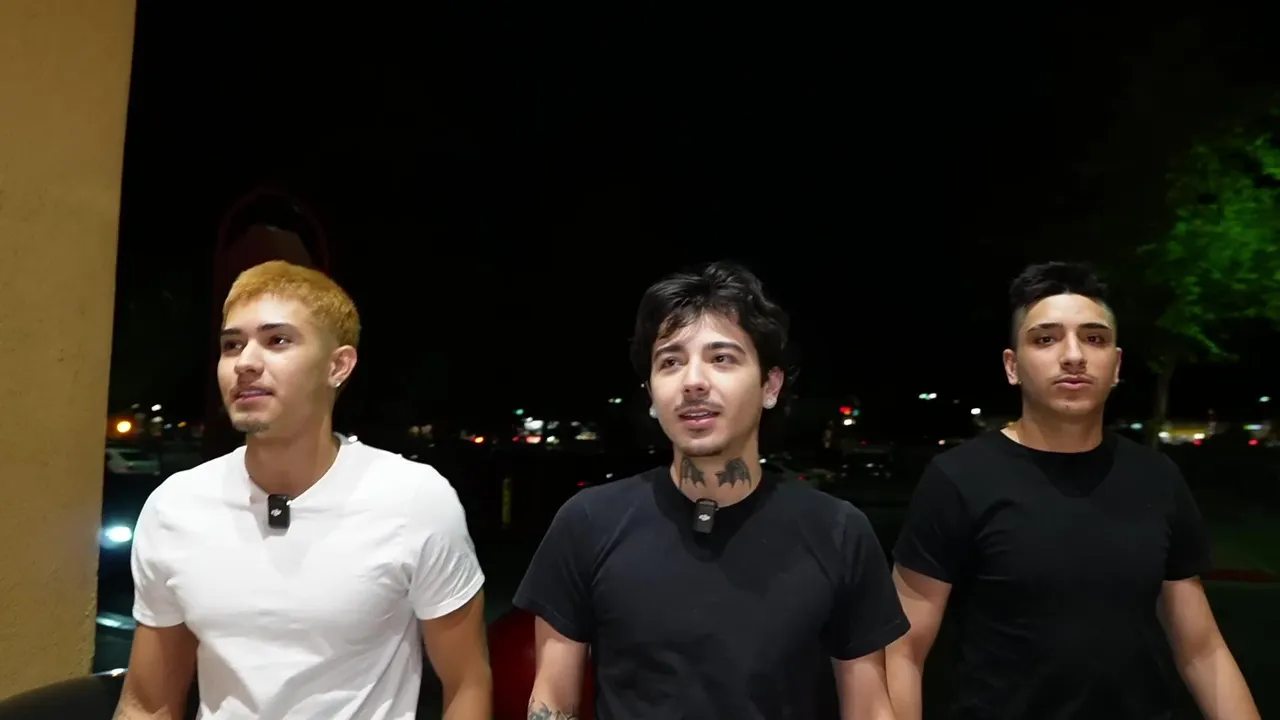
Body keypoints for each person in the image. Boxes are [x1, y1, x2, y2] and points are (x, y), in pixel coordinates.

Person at [514, 261, 907, 719]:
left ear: (770, 385)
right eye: (670, 362)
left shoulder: (838, 532)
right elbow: (552, 700)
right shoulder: (587, 523)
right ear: (651, 393)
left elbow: (869, 707)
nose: (693, 381)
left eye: (722, 358)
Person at [114, 261, 492, 719]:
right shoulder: (175, 506)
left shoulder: (414, 500)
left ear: (338, 366)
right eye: (232, 345)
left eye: (277, 341)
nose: (246, 363)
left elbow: (467, 684)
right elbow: (147, 702)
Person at [886, 261, 1260, 720]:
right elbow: (902, 650)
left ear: (1116, 365)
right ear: (1012, 366)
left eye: (1094, 338)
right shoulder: (959, 478)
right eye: (1045, 339)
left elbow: (1202, 650)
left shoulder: (1156, 477)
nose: (1074, 356)